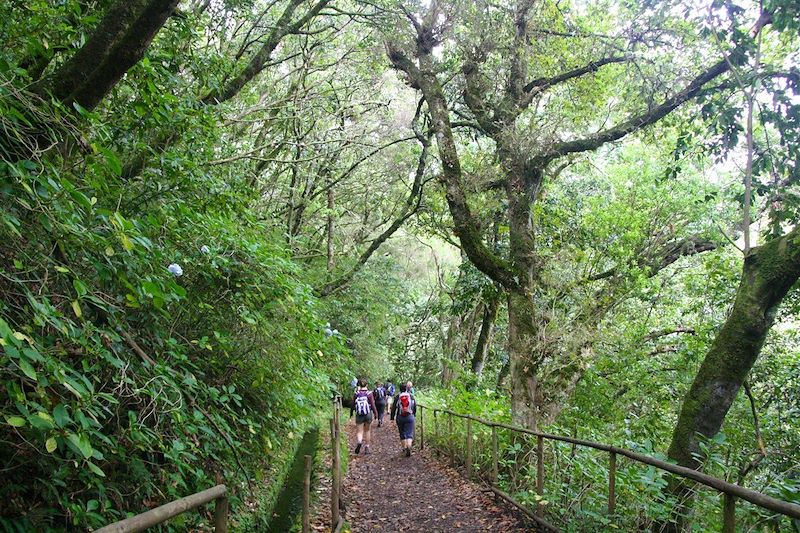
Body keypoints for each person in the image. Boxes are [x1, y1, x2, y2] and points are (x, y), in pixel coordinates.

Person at [350, 378, 377, 455]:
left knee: (359, 431)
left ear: (359, 385)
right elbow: (372, 404)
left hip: (359, 414)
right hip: (368, 414)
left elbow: (353, 404)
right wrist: (375, 414)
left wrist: (351, 413)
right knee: (367, 430)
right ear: (367, 385)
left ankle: (359, 442)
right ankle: (367, 447)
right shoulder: (369, 393)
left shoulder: (356, 393)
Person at [390, 383, 416, 457]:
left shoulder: (397, 396)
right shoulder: (411, 396)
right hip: (410, 417)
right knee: (409, 434)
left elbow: (394, 408)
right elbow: (414, 406)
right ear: (407, 388)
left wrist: (392, 418)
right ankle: (409, 446)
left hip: (400, 417)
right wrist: (414, 415)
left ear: (400, 389)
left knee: (402, 433)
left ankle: (404, 448)